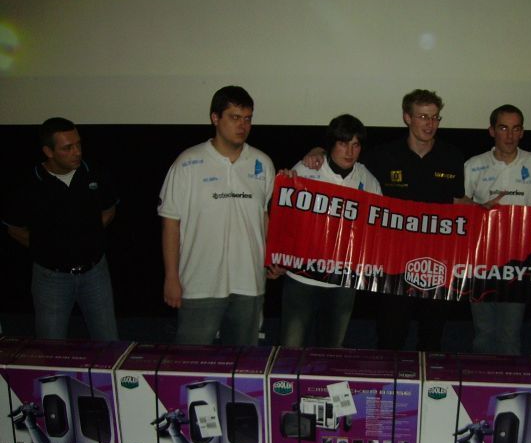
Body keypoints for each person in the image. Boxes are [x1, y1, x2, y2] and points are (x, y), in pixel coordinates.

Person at [301, 89, 467, 352]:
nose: (430, 124)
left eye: (435, 117)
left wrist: (486, 210)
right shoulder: (383, 156)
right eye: (423, 116)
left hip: (438, 262)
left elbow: (459, 203)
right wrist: (318, 150)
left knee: (432, 336)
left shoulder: (452, 156)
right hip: (394, 263)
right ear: (407, 117)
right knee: (391, 336)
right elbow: (345, 159)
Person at [158, 86, 277, 345]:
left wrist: (273, 256)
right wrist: (171, 277)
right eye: (235, 117)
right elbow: (170, 223)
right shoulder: (187, 163)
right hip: (200, 283)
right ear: (215, 118)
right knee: (192, 360)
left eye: (247, 118)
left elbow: (264, 216)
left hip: (249, 283)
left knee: (242, 361)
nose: (243, 125)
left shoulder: (263, 163)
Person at [4, 117, 119, 340]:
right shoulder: (29, 184)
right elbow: (14, 227)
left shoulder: (93, 172)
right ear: (48, 151)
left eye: (79, 144)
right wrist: (48, 247)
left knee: (107, 340)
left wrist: (88, 235)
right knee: (51, 343)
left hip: (94, 272)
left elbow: (109, 209)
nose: (77, 152)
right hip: (51, 278)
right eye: (67, 148)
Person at [281, 114, 382, 348]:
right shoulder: (306, 170)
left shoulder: (368, 181)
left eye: (355, 145)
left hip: (342, 282)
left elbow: (376, 230)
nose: (350, 151)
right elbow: (285, 219)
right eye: (343, 143)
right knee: (290, 349)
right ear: (331, 144)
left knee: (331, 351)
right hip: (302, 277)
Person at [463, 104, 531, 355]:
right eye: (503, 128)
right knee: (483, 332)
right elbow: (460, 209)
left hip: (520, 261)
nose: (510, 136)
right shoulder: (474, 165)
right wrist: (480, 209)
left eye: (515, 129)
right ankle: (480, 376)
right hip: (481, 260)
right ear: (492, 131)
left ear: (522, 132)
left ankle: (508, 377)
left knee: (510, 333)